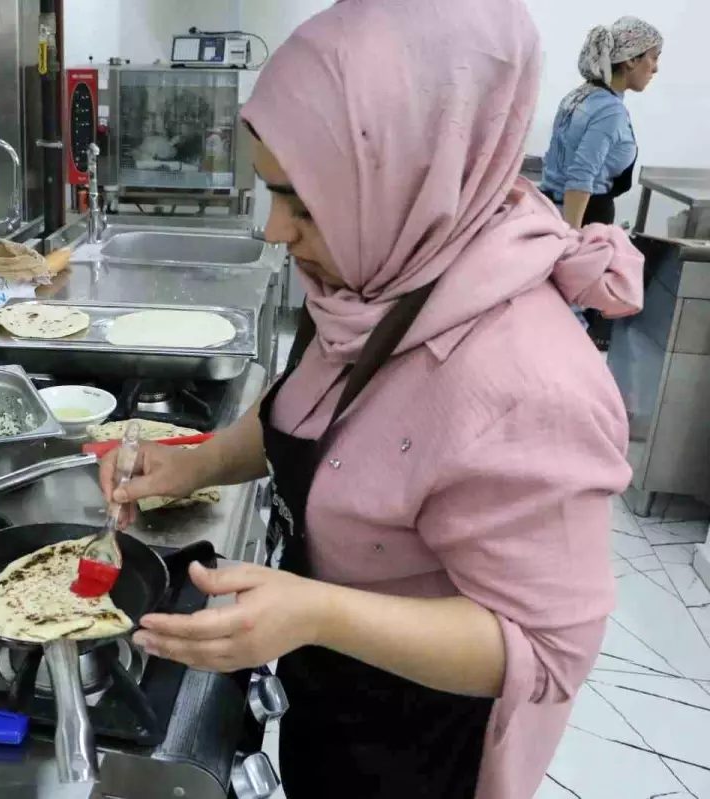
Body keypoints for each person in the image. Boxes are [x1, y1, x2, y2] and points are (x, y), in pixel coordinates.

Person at [99, 1, 644, 798]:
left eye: (302, 201)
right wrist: (192, 464)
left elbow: (547, 646)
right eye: (272, 193)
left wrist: (319, 612)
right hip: (334, 698)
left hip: (417, 744)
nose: (276, 230)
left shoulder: (528, 380)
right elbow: (323, 414)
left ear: (407, 172)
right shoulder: (385, 272)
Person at [540, 16, 661, 348]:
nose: (655, 68)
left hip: (553, 209)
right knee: (572, 318)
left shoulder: (578, 97)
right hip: (582, 218)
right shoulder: (609, 110)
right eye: (653, 57)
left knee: (553, 311)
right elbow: (581, 176)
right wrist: (572, 243)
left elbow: (556, 161)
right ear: (631, 59)